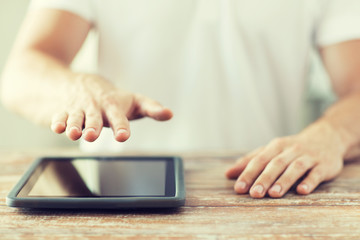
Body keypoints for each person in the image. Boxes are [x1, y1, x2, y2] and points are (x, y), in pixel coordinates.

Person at [2, 0, 360, 199]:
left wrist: (332, 134)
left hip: (262, 191)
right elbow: (20, 72)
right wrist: (78, 87)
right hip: (111, 198)